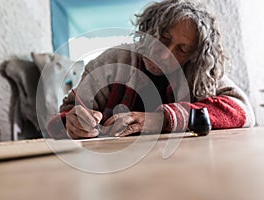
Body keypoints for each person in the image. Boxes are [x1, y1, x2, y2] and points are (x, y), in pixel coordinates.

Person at [47, 0, 255, 139]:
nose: (165, 54)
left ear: (193, 56)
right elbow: (60, 119)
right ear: (148, 30)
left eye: (181, 50)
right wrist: (72, 124)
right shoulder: (113, 61)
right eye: (162, 38)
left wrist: (162, 119)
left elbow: (243, 112)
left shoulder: (198, 72)